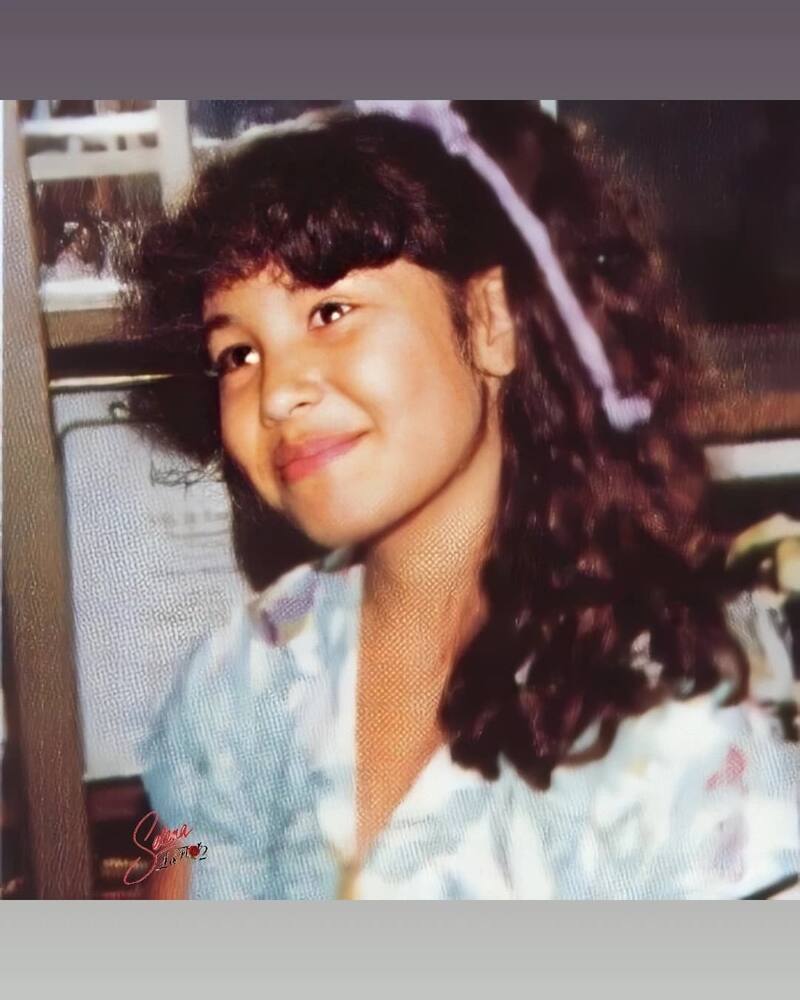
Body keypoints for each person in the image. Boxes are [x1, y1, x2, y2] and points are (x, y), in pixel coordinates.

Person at [123, 100, 799, 899]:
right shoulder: (241, 677)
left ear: (489, 323)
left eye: (330, 312)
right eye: (237, 353)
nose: (276, 392)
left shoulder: (683, 693)